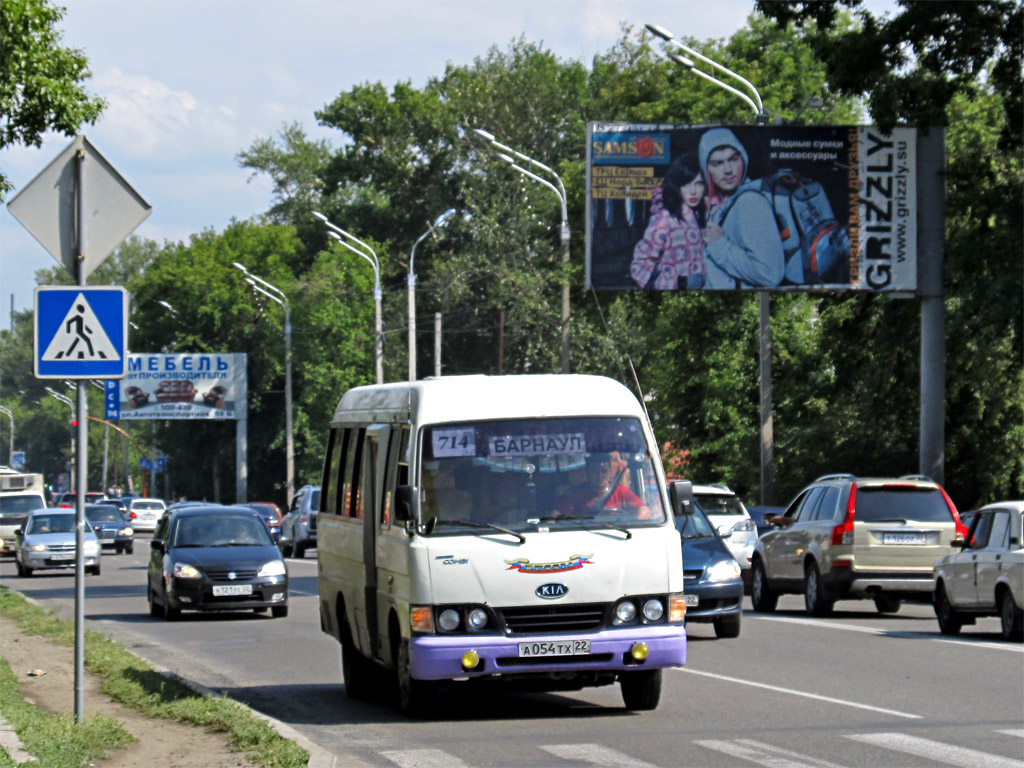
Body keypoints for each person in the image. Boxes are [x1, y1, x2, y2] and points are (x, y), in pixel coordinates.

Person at [698, 127, 786, 289]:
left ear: (742, 159)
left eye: (733, 159)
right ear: (706, 169)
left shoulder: (750, 202)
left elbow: (770, 274)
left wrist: (718, 245)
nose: (728, 170)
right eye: (717, 163)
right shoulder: (721, 205)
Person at [630, 152, 707, 290]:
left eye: (699, 183)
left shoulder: (701, 215)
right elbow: (639, 268)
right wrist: (682, 283)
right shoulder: (664, 218)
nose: (693, 191)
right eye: (686, 184)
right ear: (677, 186)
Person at [556, 452, 650, 519]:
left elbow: (645, 510)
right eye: (594, 471)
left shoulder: (621, 492)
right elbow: (556, 514)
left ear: (610, 472)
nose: (600, 475)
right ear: (587, 472)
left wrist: (634, 524)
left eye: (603, 471)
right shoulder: (575, 493)